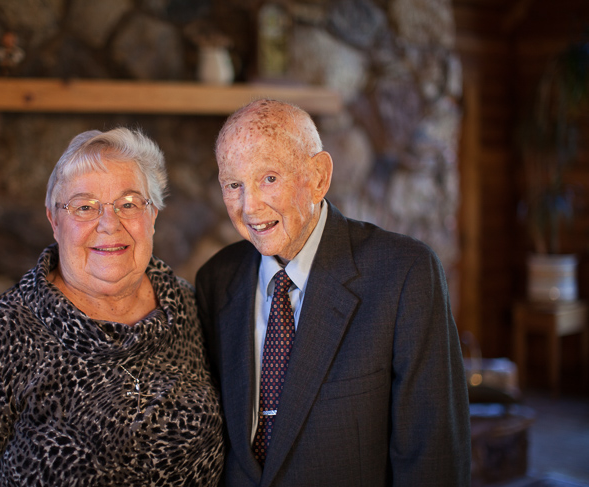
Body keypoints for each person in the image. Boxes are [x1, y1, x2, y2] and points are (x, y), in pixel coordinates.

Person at [0, 128, 224, 486]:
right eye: (85, 207)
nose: (110, 224)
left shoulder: (187, 305)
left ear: (152, 215)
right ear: (54, 221)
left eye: (129, 203)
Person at [195, 99, 471, 486]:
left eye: (269, 178)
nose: (250, 206)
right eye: (233, 184)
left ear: (319, 176)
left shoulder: (405, 274)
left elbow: (433, 457)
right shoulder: (215, 279)